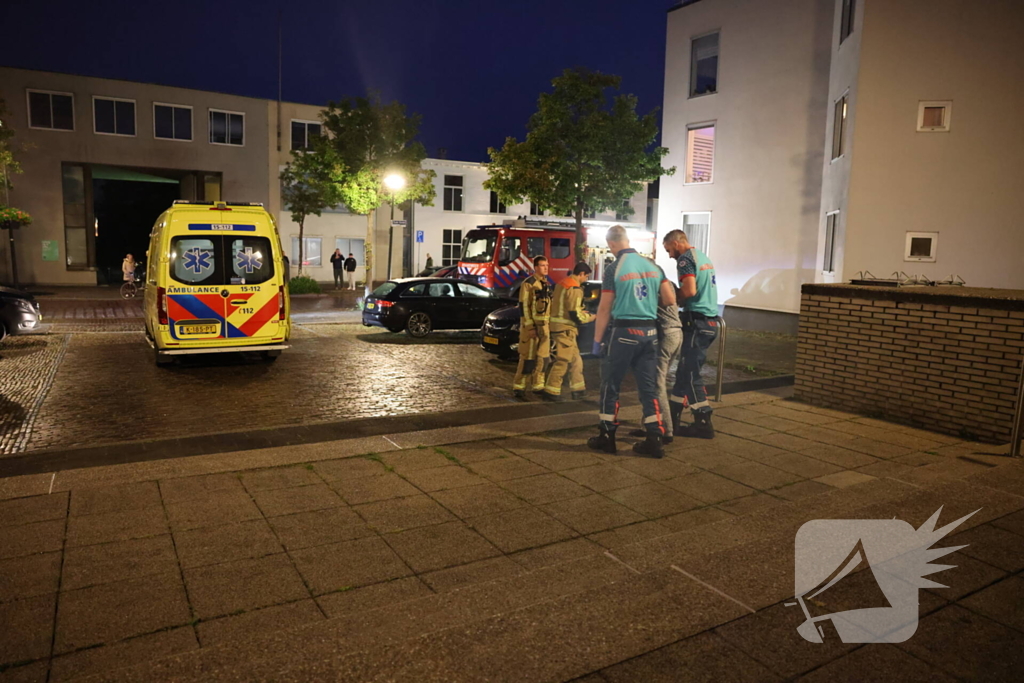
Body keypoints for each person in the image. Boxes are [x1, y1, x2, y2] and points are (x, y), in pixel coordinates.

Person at [587, 225, 676, 458]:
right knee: (649, 389)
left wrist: (597, 342)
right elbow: (669, 299)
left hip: (624, 333)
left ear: (612, 244)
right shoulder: (653, 265)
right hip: (650, 334)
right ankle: (654, 439)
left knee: (610, 385)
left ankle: (607, 437)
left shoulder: (614, 268)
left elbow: (605, 308)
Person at [663, 229, 720, 439]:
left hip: (697, 321)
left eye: (669, 250)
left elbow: (689, 291)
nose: (670, 255)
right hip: (709, 322)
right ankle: (673, 418)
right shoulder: (703, 257)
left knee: (690, 373)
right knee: (684, 371)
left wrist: (670, 298)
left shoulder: (685, 260)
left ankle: (703, 420)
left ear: (677, 243)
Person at [630, 260, 681, 443]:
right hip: (676, 333)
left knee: (656, 385)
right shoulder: (666, 283)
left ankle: (665, 430)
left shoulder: (653, 284)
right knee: (653, 381)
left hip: (665, 335)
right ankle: (648, 425)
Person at [541, 262, 593, 401]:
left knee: (576, 360)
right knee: (563, 360)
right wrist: (591, 317)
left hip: (560, 327)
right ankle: (551, 390)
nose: (586, 280)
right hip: (565, 329)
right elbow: (574, 314)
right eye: (586, 277)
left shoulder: (562, 283)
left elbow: (563, 306)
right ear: (581, 274)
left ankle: (578, 390)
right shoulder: (574, 288)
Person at [511, 255, 552, 399]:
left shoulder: (545, 284)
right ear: (535, 267)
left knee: (543, 358)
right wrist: (529, 327)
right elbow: (524, 307)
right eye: (542, 265)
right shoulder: (529, 283)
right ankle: (519, 388)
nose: (546, 268)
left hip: (544, 328)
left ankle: (538, 386)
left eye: (547, 265)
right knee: (528, 359)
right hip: (532, 329)